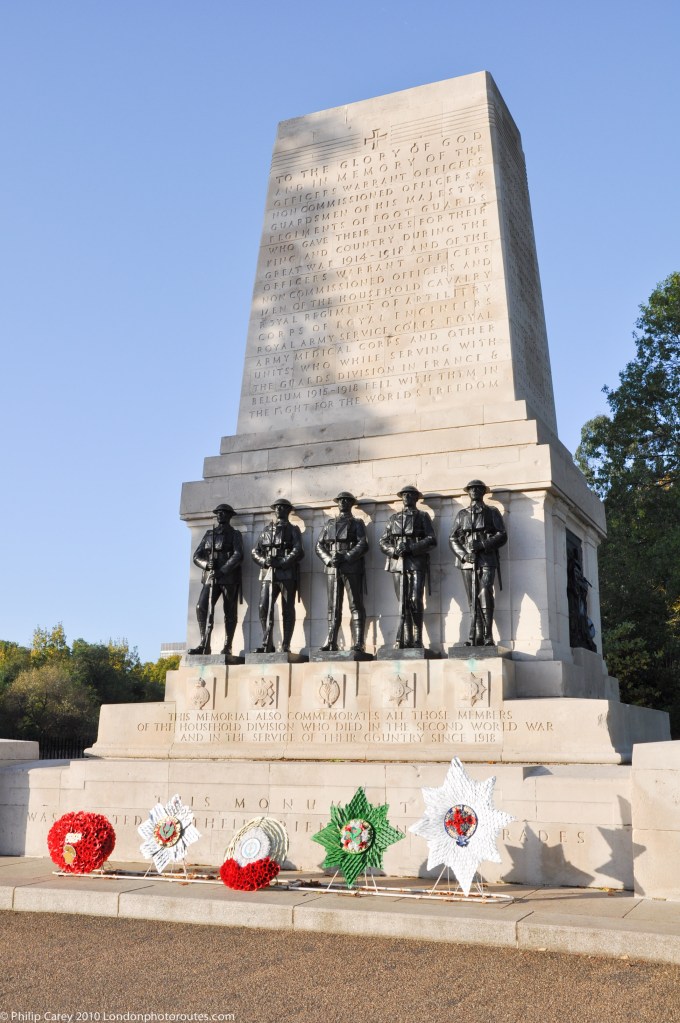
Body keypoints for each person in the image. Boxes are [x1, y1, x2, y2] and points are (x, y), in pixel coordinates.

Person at [449, 480, 507, 646]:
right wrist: (464, 555)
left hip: (487, 558)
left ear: (483, 492)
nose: (474, 491)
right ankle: (476, 635)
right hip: (468, 561)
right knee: (472, 598)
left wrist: (482, 545)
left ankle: (488, 636)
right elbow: (452, 538)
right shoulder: (462, 514)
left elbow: (501, 535)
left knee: (485, 594)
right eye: (472, 489)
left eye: (478, 489)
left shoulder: (492, 512)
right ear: (468, 492)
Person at [379, 485, 437, 649]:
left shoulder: (423, 516)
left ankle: (418, 639)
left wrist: (412, 548)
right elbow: (383, 541)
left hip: (416, 562)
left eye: (410, 494)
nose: (407, 497)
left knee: (415, 600)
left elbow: (431, 539)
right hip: (398, 563)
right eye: (404, 494)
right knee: (402, 602)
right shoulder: (393, 518)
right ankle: (405, 639)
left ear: (416, 498)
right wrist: (394, 550)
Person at [315, 491, 369, 652]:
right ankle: (332, 641)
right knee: (333, 606)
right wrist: (329, 559)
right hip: (333, 567)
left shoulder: (357, 523)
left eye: (346, 500)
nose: (343, 502)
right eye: (340, 500)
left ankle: (359, 642)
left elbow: (363, 544)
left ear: (351, 503)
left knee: (355, 604)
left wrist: (345, 556)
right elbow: (319, 546)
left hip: (351, 566)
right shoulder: (329, 524)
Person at [188, 504, 243, 656]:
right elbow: (197, 556)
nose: (220, 515)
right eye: (218, 513)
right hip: (210, 576)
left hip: (228, 577)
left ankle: (228, 645)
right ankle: (203, 643)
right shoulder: (209, 534)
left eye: (223, 513)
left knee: (229, 611)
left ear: (230, 515)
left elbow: (238, 555)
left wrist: (223, 570)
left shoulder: (235, 534)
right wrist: (206, 564)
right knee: (201, 607)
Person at [251, 499, 304, 653]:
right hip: (268, 573)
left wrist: (281, 562)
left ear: (288, 510)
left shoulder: (293, 530)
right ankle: (267, 642)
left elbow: (298, 550)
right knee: (264, 607)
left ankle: (286, 644)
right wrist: (265, 560)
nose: (279, 509)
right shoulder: (266, 530)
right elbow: (255, 551)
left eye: (283, 507)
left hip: (286, 573)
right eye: (277, 507)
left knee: (287, 609)